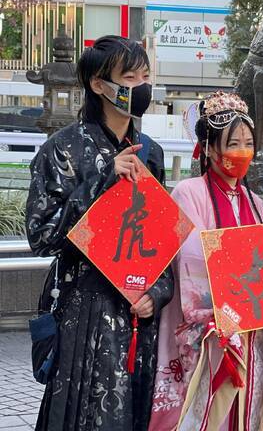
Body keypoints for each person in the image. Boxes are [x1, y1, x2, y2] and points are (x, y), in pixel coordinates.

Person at [26, 35, 174, 430]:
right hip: (84, 309)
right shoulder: (63, 150)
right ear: (98, 84)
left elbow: (163, 240)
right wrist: (102, 182)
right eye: (129, 77)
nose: (140, 85)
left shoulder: (151, 153)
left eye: (145, 76)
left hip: (138, 315)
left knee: (136, 411)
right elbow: (41, 237)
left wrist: (157, 294)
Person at [149, 92, 263, 431]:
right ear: (208, 148)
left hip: (251, 329)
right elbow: (192, 258)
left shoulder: (257, 204)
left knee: (246, 405)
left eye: (248, 144)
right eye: (232, 143)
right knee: (206, 411)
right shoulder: (189, 192)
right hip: (210, 331)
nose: (242, 152)